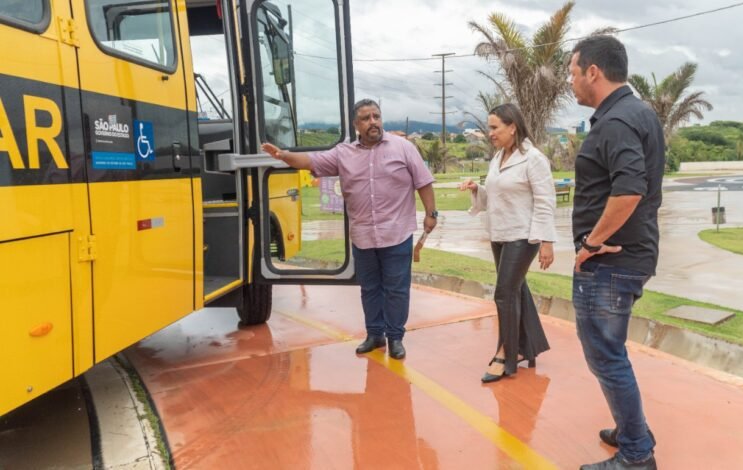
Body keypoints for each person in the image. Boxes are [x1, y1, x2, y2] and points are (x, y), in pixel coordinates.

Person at [261, 99, 437, 360]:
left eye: (376, 116)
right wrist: (283, 156)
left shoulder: (404, 148)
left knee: (397, 289)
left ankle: (395, 337)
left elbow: (423, 181)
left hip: (396, 233)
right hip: (363, 235)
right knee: (369, 288)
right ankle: (374, 334)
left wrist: (431, 214)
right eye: (366, 118)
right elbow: (311, 160)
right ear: (356, 125)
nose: (373, 122)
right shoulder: (343, 153)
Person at [568, 35, 664, 470]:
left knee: (606, 355)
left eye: (572, 71)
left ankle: (637, 455)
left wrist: (590, 243)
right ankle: (633, 432)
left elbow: (628, 190)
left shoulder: (616, 122)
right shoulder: (638, 112)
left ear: (593, 71)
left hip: (609, 260)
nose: (570, 81)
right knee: (611, 352)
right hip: (630, 255)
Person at [459, 103, 556, 383]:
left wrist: (546, 241)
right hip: (499, 234)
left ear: (512, 127)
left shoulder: (533, 159)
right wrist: (478, 189)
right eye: (489, 127)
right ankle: (530, 347)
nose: (489, 133)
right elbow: (497, 195)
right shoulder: (499, 157)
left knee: (504, 293)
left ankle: (506, 354)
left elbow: (545, 201)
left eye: (494, 127)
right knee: (517, 290)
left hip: (523, 236)